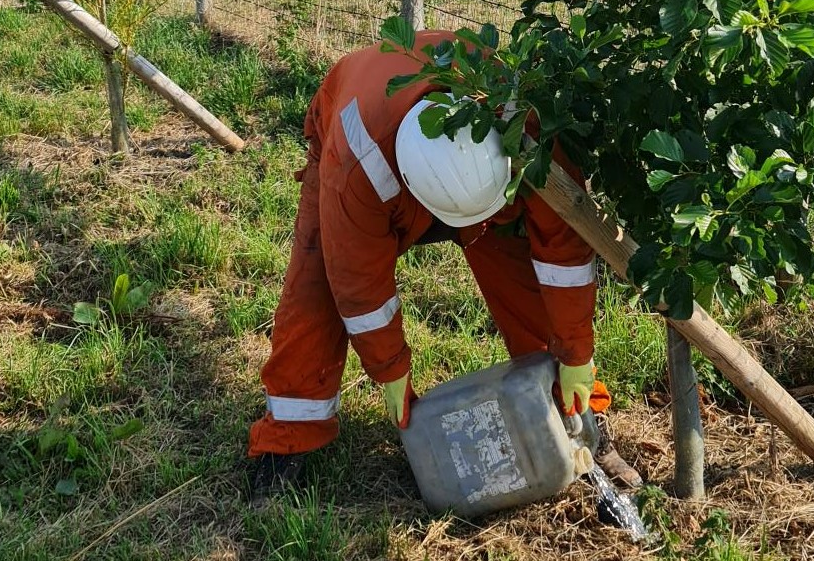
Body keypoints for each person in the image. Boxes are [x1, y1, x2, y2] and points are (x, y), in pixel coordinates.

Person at [247, 28, 642, 499]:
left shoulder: (523, 125)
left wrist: (576, 353)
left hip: (488, 183)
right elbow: (358, 286)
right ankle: (288, 440)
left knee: (524, 276)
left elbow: (564, 256)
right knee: (316, 288)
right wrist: (390, 368)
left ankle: (578, 415)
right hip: (352, 127)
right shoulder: (356, 166)